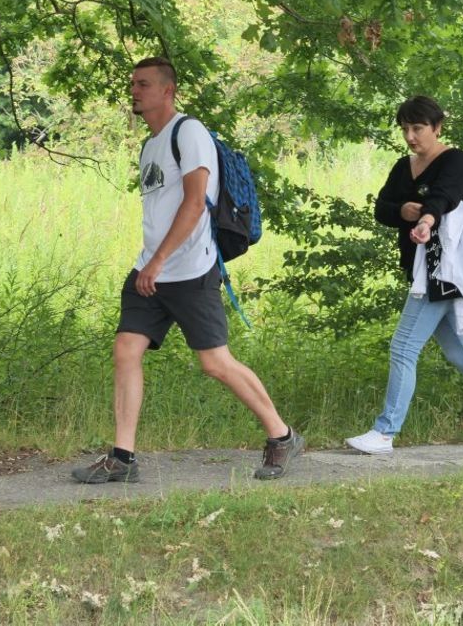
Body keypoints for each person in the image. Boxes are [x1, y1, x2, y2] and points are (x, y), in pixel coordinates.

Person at [73, 57, 303, 483]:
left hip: (190, 270)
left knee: (215, 362)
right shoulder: (150, 145)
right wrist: (151, 263)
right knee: (126, 349)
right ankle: (122, 458)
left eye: (143, 84)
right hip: (150, 271)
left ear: (168, 90)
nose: (134, 91)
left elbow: (195, 203)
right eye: (132, 84)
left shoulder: (189, 132)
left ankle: (282, 435)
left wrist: (160, 260)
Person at [346, 96, 463, 455]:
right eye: (405, 129)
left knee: (403, 347)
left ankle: (385, 432)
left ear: (437, 127)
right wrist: (403, 210)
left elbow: (446, 197)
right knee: (460, 351)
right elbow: (382, 208)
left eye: (417, 128)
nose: (410, 136)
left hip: (442, 270)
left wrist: (427, 219)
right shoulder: (403, 167)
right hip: (421, 269)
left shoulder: (454, 160)